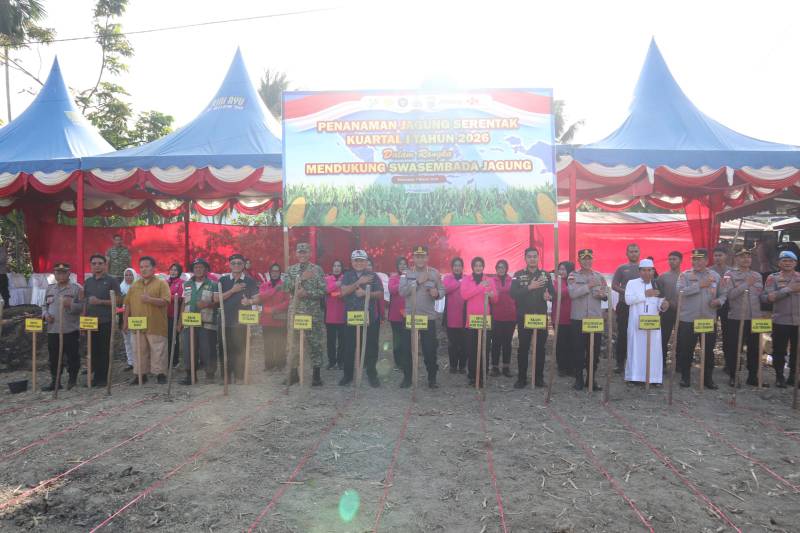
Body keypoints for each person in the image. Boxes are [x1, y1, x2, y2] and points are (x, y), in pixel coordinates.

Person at [399, 245, 445, 388]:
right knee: (407, 349)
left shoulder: (434, 273)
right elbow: (402, 292)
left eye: (423, 256)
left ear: (427, 258)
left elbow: (442, 290)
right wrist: (418, 281)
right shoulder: (406, 273)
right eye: (417, 256)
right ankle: (407, 378)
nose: (420, 259)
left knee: (429, 349)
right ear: (413, 258)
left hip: (428, 318)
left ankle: (432, 378)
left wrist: (437, 294)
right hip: (411, 317)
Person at [675, 249, 721, 389]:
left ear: (706, 261)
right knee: (686, 350)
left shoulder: (715, 276)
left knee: (708, 351)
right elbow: (680, 292)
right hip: (689, 319)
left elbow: (723, 293)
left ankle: (708, 379)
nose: (696, 262)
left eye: (700, 259)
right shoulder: (685, 275)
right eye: (694, 259)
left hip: (707, 318)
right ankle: (685, 378)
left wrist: (719, 301)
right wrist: (699, 286)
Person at [283, 242, 327, 386]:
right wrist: (301, 278)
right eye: (300, 252)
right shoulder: (290, 270)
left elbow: (323, 291)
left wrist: (307, 293)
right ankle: (294, 374)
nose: (302, 255)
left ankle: (316, 375)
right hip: (295, 313)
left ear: (309, 254)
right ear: (296, 254)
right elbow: (285, 287)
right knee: (292, 343)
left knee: (315, 343)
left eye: (305, 252)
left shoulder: (317, 270)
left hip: (312, 313)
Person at [123, 256, 171, 385]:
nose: (144, 269)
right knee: (139, 350)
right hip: (137, 325)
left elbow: (166, 301)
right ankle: (140, 374)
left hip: (156, 324)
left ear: (153, 268)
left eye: (147, 266)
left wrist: (150, 300)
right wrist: (125, 322)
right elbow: (127, 304)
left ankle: (160, 374)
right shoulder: (134, 285)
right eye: (141, 267)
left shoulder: (161, 283)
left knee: (158, 350)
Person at [510, 248, 553, 388]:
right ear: (525, 258)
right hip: (524, 316)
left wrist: (549, 296)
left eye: (535, 256)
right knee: (523, 348)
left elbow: (552, 293)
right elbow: (513, 293)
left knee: (540, 348)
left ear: (538, 258)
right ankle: (521, 378)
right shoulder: (518, 275)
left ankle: (538, 378)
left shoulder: (546, 275)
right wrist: (530, 287)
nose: (532, 259)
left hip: (540, 316)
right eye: (529, 257)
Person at [721, 248, 764, 387]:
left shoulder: (757, 275)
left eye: (748, 257)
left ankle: (753, 377)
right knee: (735, 348)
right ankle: (734, 376)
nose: (746, 259)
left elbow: (760, 295)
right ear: (736, 259)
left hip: (755, 317)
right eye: (742, 257)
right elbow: (730, 295)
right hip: (737, 317)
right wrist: (746, 284)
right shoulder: (729, 275)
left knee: (755, 348)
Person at [340, 249, 384, 387]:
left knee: (371, 347)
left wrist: (366, 293)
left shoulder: (373, 276)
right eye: (356, 260)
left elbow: (380, 294)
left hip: (370, 317)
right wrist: (358, 282)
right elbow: (343, 292)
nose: (359, 263)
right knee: (349, 347)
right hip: (351, 317)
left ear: (366, 262)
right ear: (352, 262)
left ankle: (372, 375)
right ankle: (348, 375)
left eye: (361, 260)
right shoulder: (347, 276)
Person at [568, 249, 607, 391]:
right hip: (578, 318)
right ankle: (578, 379)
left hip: (594, 319)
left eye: (589, 258)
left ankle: (591, 379)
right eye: (583, 259)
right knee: (578, 350)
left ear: (592, 259)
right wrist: (589, 286)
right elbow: (572, 293)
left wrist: (602, 295)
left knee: (594, 351)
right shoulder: (573, 275)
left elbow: (605, 294)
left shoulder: (599, 276)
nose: (586, 261)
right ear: (579, 260)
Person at [624, 259, 668, 384]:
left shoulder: (657, 283)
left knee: (654, 350)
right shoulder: (632, 283)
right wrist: (645, 295)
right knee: (636, 349)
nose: (647, 273)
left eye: (649, 270)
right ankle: (634, 377)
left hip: (652, 323)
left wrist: (663, 305)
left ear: (653, 271)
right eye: (644, 270)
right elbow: (628, 300)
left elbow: (660, 302)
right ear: (639, 271)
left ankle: (654, 378)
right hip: (636, 323)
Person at [42, 263, 83, 391]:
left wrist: (70, 305)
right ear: (54, 274)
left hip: (70, 329)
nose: (60, 275)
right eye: (57, 272)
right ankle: (55, 381)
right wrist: (45, 315)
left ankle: (72, 380)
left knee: (72, 356)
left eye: (63, 272)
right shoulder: (50, 289)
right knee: (54, 357)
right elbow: (44, 306)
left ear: (69, 273)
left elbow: (82, 307)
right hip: (53, 330)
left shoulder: (76, 289)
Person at [219, 253, 260, 384]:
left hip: (242, 322)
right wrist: (233, 290)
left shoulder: (250, 281)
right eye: (233, 263)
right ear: (229, 265)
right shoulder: (223, 280)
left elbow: (257, 298)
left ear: (243, 265)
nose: (236, 265)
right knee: (225, 350)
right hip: (225, 320)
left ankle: (240, 376)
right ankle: (226, 377)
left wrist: (249, 301)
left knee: (240, 349)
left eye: (239, 263)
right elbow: (216, 299)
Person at [83, 254, 122, 387]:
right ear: (90, 266)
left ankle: (103, 379)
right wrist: (83, 320)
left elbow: (119, 301)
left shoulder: (112, 281)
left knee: (104, 350)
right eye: (94, 263)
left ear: (105, 265)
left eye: (100, 263)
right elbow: (85, 302)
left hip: (106, 320)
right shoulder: (88, 282)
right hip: (90, 322)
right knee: (92, 350)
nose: (97, 266)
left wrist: (100, 301)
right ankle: (94, 378)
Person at [178, 258, 220, 384]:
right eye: (196, 267)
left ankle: (210, 375)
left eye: (201, 267)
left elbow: (218, 303)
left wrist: (208, 304)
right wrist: (180, 322)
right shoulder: (186, 284)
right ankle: (190, 375)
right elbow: (183, 303)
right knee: (188, 349)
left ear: (206, 269)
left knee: (208, 349)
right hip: (189, 321)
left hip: (207, 322)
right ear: (193, 270)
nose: (198, 269)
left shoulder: (213, 284)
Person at [763, 250, 800, 387]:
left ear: (795, 263)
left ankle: (793, 376)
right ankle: (779, 377)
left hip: (798, 321)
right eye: (784, 260)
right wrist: (788, 289)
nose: (787, 263)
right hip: (781, 321)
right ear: (779, 263)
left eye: (791, 261)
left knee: (797, 351)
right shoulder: (773, 278)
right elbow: (769, 298)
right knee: (779, 350)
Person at [460, 257, 498, 387]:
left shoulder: (489, 280)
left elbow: (495, 299)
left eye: (480, 265)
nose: (478, 268)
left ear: (483, 267)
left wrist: (492, 295)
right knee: (472, 349)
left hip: (485, 320)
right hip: (471, 321)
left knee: (484, 349)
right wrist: (480, 287)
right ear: (472, 267)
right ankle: (472, 376)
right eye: (476, 265)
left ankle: (483, 376)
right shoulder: (466, 280)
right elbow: (464, 295)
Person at [252, 263, 289, 370]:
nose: (274, 273)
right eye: (273, 271)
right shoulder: (264, 285)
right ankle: (269, 365)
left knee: (280, 342)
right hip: (267, 319)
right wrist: (275, 290)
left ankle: (280, 364)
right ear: (269, 273)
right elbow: (262, 297)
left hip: (280, 318)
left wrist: (276, 308)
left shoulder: (285, 285)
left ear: (280, 273)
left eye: (277, 271)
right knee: (268, 343)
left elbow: (288, 301)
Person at [612, 243, 641, 374]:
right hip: (625, 305)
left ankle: (636, 363)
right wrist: (627, 293)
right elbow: (614, 285)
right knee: (623, 334)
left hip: (640, 307)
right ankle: (620, 363)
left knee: (639, 334)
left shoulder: (645, 268)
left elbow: (653, 285)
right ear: (627, 254)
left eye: (635, 251)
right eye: (631, 251)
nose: (633, 254)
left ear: (639, 253)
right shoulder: (622, 268)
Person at [490, 259, 517, 378]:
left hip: (510, 316)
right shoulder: (491, 281)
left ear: (506, 269)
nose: (501, 269)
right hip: (496, 316)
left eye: (503, 267)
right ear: (496, 269)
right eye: (499, 267)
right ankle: (495, 367)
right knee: (496, 343)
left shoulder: (512, 281)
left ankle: (506, 367)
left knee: (507, 343)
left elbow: (517, 296)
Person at [655, 251, 682, 366]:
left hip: (683, 312)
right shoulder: (663, 277)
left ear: (680, 261)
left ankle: (679, 365)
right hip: (666, 312)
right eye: (670, 259)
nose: (671, 261)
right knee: (663, 337)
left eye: (674, 259)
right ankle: (662, 364)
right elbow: (658, 294)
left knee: (681, 338)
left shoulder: (686, 276)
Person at [711, 245, 733, 372]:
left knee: (728, 334)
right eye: (715, 255)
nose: (718, 258)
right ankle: (708, 362)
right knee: (710, 333)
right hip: (711, 305)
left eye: (720, 255)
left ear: (726, 257)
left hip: (728, 305)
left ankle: (729, 364)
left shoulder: (732, 271)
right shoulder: (708, 271)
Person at [443, 257, 467, 373]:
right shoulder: (447, 278)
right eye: (455, 265)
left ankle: (462, 366)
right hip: (451, 316)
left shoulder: (467, 278)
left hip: (464, 316)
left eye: (459, 265)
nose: (457, 268)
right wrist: (459, 283)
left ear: (462, 267)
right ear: (452, 267)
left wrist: (461, 282)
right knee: (452, 343)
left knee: (464, 344)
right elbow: (445, 290)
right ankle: (453, 365)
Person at [553, 261, 574, 376]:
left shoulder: (575, 280)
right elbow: (558, 293)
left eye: (564, 269)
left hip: (573, 317)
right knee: (561, 344)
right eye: (560, 269)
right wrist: (570, 286)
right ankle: (561, 367)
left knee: (572, 343)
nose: (561, 272)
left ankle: (570, 367)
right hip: (559, 318)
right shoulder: (556, 281)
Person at [324, 260, 346, 370]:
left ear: (342, 268)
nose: (336, 268)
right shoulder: (327, 279)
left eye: (339, 266)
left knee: (342, 341)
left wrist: (333, 294)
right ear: (332, 268)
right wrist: (336, 286)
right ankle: (332, 361)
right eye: (334, 266)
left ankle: (341, 361)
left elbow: (346, 293)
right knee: (330, 341)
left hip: (342, 316)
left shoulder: (345, 278)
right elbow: (325, 290)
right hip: (330, 316)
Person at [387, 257, 408, 371]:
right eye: (400, 264)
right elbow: (392, 290)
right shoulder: (393, 278)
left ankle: (406, 362)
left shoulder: (411, 277)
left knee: (407, 340)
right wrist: (403, 280)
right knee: (397, 340)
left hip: (408, 314)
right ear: (397, 266)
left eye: (404, 264)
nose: (402, 266)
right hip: (395, 315)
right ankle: (398, 362)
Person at [119, 268, 138, 370]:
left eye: (130, 275)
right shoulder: (120, 288)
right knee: (127, 341)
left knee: (135, 340)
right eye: (126, 275)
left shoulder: (138, 287)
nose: (128, 277)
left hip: (136, 317)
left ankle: (138, 362)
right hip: (123, 317)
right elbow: (118, 304)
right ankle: (130, 362)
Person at [166, 263, 184, 367]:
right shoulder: (166, 282)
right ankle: (167, 359)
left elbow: (180, 298)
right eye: (171, 269)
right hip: (164, 314)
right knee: (166, 338)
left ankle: (174, 360)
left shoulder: (181, 283)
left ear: (179, 272)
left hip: (175, 314)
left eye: (175, 270)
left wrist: (167, 297)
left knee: (173, 338)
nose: (173, 272)